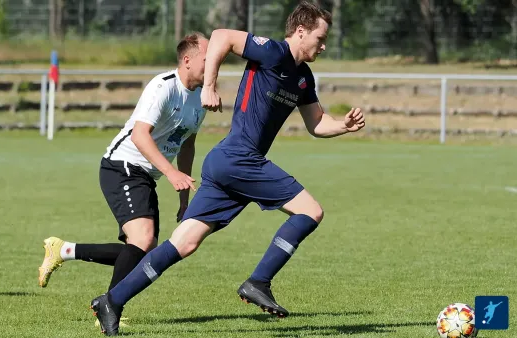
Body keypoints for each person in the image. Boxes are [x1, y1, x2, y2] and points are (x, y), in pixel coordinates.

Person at [91, 2, 366, 335]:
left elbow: (317, 123)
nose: (323, 46)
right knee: (311, 211)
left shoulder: (303, 77)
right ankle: (258, 282)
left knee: (184, 243)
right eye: (320, 38)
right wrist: (209, 84)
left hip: (228, 164)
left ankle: (112, 300)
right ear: (301, 31)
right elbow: (221, 35)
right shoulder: (272, 51)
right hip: (239, 158)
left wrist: (344, 126)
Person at [37, 32, 209, 324]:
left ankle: (64, 250)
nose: (214, 63)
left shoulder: (202, 98)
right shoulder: (163, 87)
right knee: (143, 241)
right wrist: (170, 173)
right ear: (188, 60)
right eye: (208, 58)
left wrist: (184, 197)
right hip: (122, 166)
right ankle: (109, 307)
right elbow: (140, 135)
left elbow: (187, 144)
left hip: (145, 174)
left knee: (142, 250)